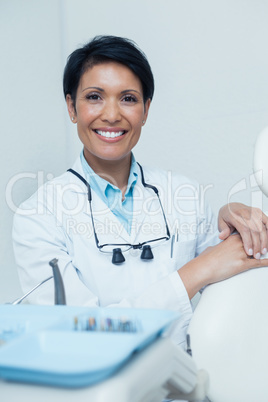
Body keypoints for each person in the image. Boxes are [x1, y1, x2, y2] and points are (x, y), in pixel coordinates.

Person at [12, 35, 268, 348]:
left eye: (128, 99)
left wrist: (237, 219)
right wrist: (195, 272)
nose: (111, 114)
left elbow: (241, 276)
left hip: (184, 387)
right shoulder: (37, 216)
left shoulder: (183, 193)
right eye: (94, 96)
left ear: (145, 110)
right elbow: (78, 338)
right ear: (71, 107)